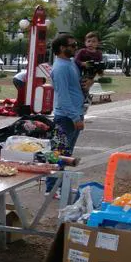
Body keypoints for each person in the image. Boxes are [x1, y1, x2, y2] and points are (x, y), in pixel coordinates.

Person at [47, 33, 91, 193]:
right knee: (58, 154)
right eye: (72, 46)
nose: (75, 48)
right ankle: (51, 189)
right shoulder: (60, 68)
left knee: (66, 153)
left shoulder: (71, 63)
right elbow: (63, 96)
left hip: (74, 114)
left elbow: (76, 87)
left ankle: (60, 187)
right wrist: (75, 117)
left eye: (76, 45)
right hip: (65, 117)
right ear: (61, 48)